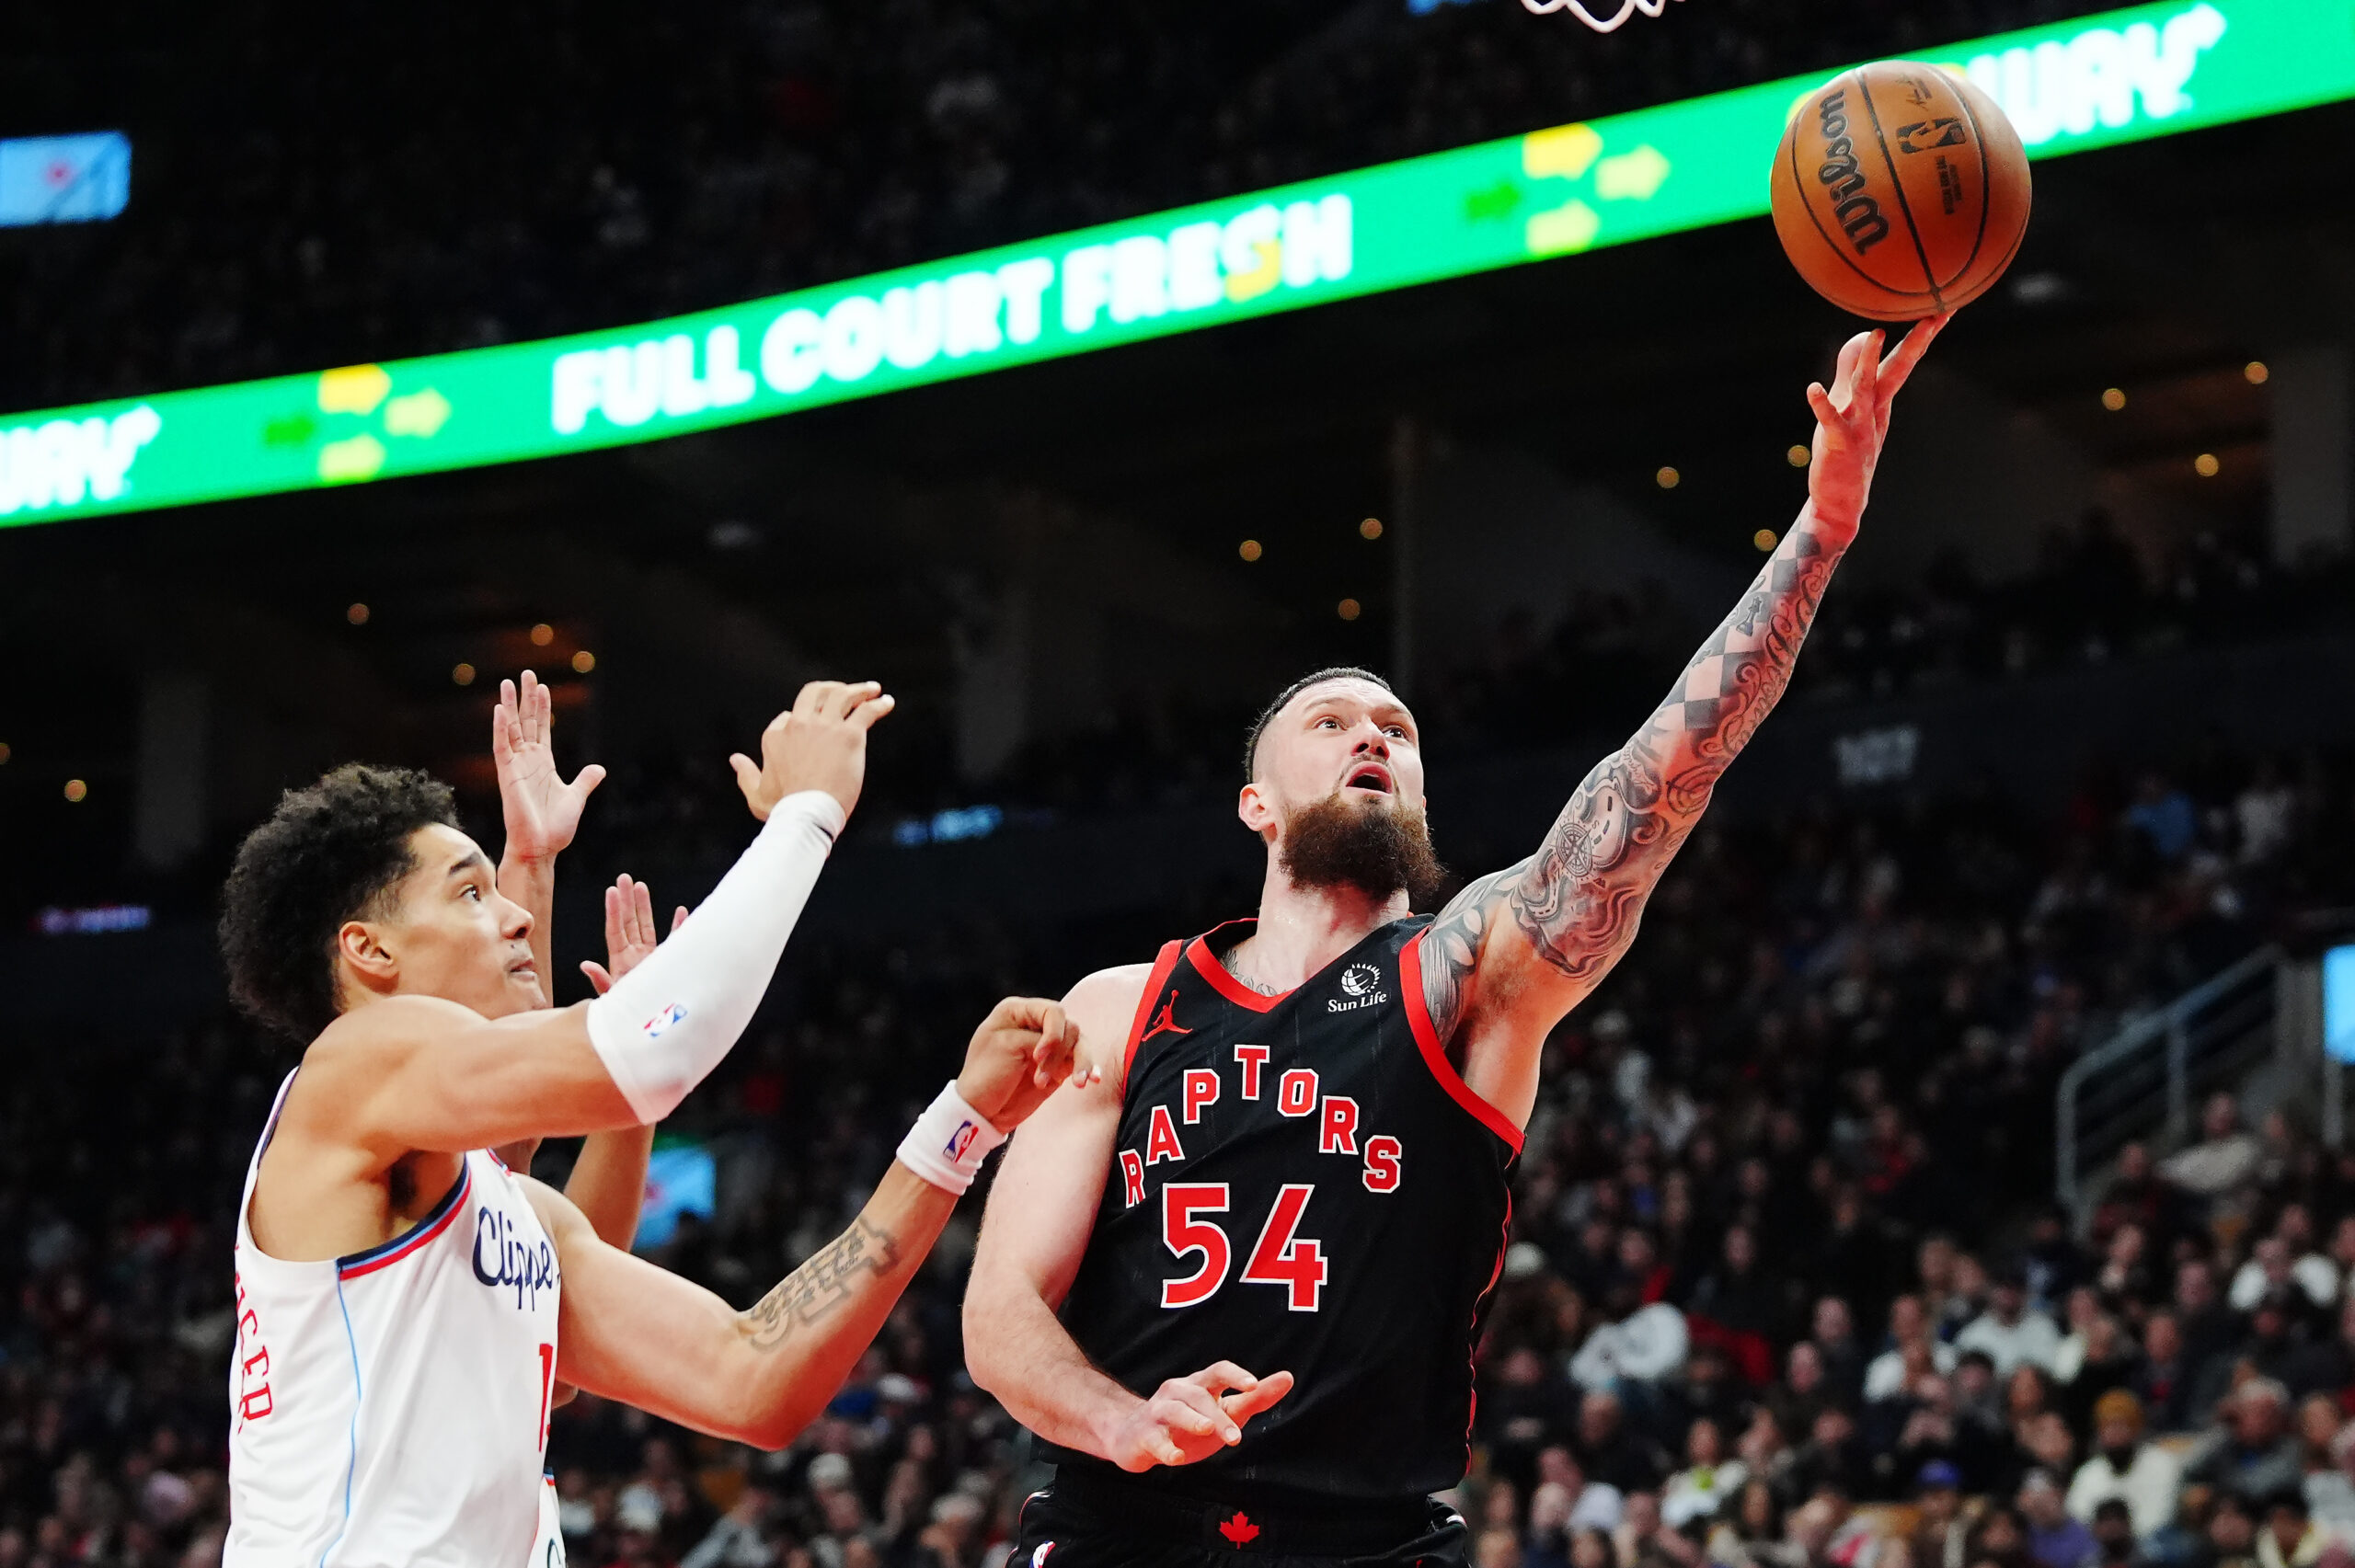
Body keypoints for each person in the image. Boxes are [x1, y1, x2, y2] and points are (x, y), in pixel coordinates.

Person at [962, 322, 1947, 1566]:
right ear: (1256, 804)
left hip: (1369, 1537)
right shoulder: (1118, 1004)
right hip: (1123, 1524)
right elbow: (1000, 1314)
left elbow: (1659, 786)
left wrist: (1819, 538)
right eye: (1330, 721)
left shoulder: (1462, 975)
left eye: (1398, 728)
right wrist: (1121, 1419)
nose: (1372, 734)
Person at [217, 679, 1091, 1567]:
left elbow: (753, 1380)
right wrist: (807, 813)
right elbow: (646, 1053)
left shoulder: (510, 1212)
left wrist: (963, 1122)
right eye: (470, 894)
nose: (513, 917)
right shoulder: (352, 1062)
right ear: (368, 950)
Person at [2068, 1391, 2185, 1540]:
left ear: (2136, 1430)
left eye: (2120, 1426)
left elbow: (2160, 1520)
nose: (2114, 1434)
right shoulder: (2088, 1473)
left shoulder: (2162, 1465)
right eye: (2107, 1427)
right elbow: (2078, 1521)